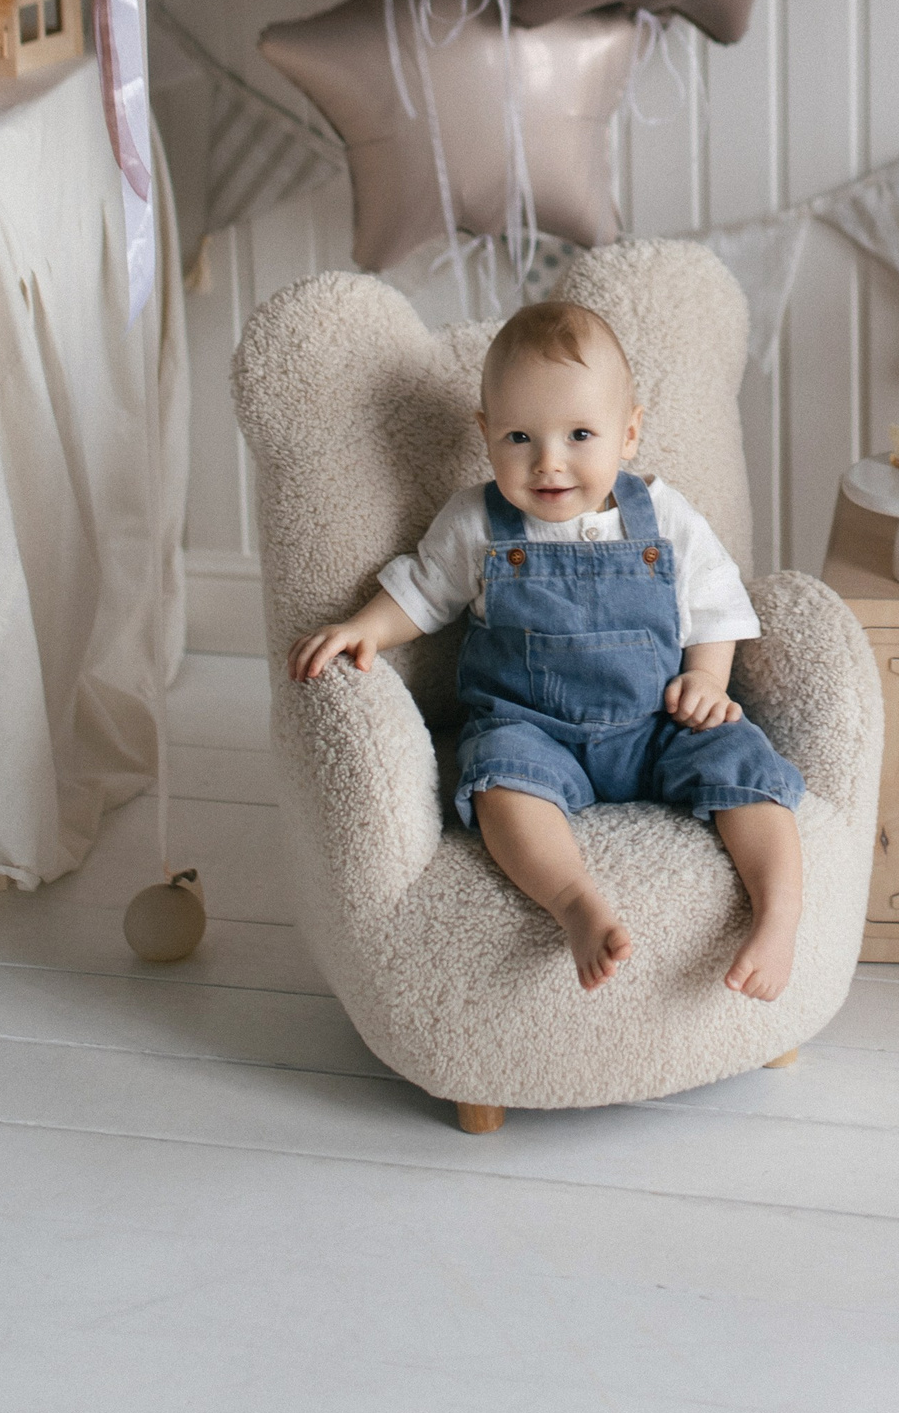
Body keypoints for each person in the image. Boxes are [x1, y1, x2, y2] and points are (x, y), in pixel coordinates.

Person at [288, 301, 804, 999]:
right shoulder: (478, 521)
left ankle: (778, 915)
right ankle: (573, 902)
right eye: (520, 437)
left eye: (580, 435)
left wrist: (707, 681)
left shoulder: (662, 515)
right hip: (531, 730)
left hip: (656, 725)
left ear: (628, 433)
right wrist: (366, 629)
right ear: (486, 435)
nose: (549, 462)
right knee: (497, 781)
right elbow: (424, 589)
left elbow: (715, 604)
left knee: (744, 758)